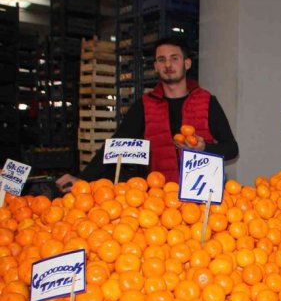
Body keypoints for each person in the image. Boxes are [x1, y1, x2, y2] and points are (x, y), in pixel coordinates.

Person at [56, 36, 239, 192]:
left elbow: (231, 149)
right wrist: (83, 179)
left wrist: (204, 148)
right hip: (160, 201)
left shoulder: (207, 102)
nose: (168, 64)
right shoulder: (145, 105)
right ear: (156, 66)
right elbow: (116, 146)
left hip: (202, 197)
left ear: (187, 63)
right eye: (161, 59)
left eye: (174, 58)